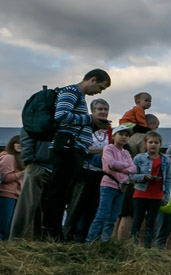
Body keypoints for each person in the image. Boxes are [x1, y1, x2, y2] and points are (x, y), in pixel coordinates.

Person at [42, 69, 111, 240]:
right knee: (58, 191)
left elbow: (72, 122)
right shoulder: (71, 92)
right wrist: (90, 119)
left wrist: (93, 125)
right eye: (100, 87)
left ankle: (55, 231)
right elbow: (61, 116)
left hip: (73, 149)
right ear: (92, 79)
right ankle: (51, 232)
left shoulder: (78, 96)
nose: (99, 92)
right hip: (67, 149)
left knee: (63, 192)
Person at [65, 98, 110, 242]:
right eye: (100, 109)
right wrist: (104, 150)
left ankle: (88, 239)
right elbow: (83, 148)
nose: (103, 112)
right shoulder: (86, 127)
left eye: (105, 109)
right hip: (84, 172)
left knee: (94, 207)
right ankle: (69, 236)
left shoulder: (110, 131)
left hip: (102, 174)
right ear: (93, 111)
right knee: (78, 205)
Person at [86, 125, 136, 243]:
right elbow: (111, 164)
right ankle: (90, 240)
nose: (124, 137)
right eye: (121, 134)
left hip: (122, 186)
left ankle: (105, 241)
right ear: (113, 136)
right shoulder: (108, 148)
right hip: (108, 184)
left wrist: (120, 167)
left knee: (113, 216)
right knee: (102, 214)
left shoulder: (126, 153)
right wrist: (126, 167)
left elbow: (133, 169)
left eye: (127, 135)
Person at [128, 131, 171, 248]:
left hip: (157, 195)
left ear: (160, 144)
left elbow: (168, 180)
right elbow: (131, 176)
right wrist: (143, 177)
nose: (153, 145)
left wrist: (166, 197)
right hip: (140, 193)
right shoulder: (139, 158)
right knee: (137, 220)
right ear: (145, 144)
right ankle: (132, 246)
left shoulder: (166, 160)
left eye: (156, 142)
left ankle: (147, 248)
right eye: (150, 142)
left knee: (151, 223)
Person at [0, 136, 23, 240]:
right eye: (17, 143)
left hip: (15, 195)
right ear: (12, 144)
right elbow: (5, 177)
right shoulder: (9, 158)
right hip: (6, 194)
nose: (20, 145)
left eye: (22, 143)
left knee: (8, 224)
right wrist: (23, 173)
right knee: (4, 224)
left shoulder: (18, 158)